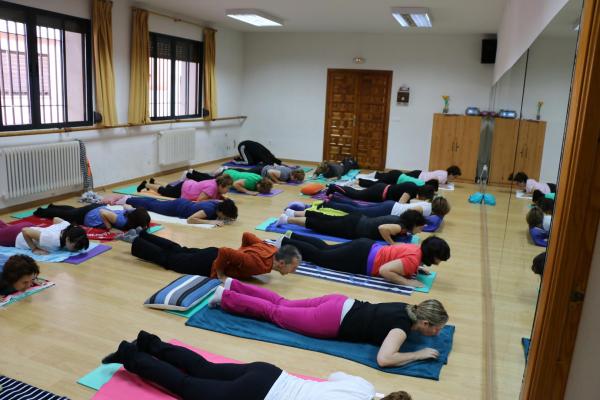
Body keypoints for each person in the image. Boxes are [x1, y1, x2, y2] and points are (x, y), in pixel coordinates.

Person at [101, 331, 413, 400]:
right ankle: (131, 355)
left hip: (269, 372)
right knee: (186, 388)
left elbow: (334, 375)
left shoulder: (366, 387)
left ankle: (150, 343)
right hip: (257, 393)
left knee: (203, 368)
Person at [210, 279, 448, 367]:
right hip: (329, 321)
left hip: (339, 302)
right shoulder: (401, 329)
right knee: (274, 313)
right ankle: (225, 296)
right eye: (437, 328)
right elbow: (384, 359)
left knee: (283, 303)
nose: (438, 332)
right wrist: (418, 354)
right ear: (425, 322)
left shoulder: (406, 306)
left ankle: (234, 284)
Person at [280, 232, 450, 287]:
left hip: (366, 247)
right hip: (360, 258)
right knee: (321, 256)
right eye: (439, 259)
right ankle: (285, 242)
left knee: (325, 248)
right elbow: (385, 271)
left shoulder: (417, 249)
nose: (438, 263)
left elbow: (401, 257)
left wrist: (418, 270)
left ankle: (290, 236)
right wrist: (408, 283)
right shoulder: (413, 259)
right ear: (432, 255)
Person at [131, 231, 301, 279]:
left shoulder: (269, 248)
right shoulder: (256, 264)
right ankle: (136, 242)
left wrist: (240, 252)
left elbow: (247, 235)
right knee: (169, 260)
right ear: (281, 264)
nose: (294, 271)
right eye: (293, 267)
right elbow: (225, 252)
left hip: (210, 252)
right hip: (207, 263)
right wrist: (219, 273)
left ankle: (143, 234)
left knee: (178, 249)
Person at [276, 209, 426, 245]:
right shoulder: (398, 226)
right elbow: (383, 229)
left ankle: (293, 212)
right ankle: (287, 219)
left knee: (325, 218)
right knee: (320, 225)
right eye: (420, 227)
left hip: (357, 219)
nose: (421, 230)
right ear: (413, 224)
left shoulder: (400, 219)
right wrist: (392, 244)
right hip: (353, 227)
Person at [0, 217, 89, 255]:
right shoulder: (52, 240)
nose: (77, 249)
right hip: (16, 235)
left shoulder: (68, 227)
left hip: (30, 227)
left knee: (3, 228)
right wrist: (34, 249)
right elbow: (25, 231)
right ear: (68, 239)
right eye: (75, 247)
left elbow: (56, 219)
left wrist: (47, 231)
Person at [125, 197, 238, 226]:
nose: (226, 219)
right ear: (221, 212)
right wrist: (210, 222)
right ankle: (127, 199)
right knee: (152, 205)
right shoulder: (209, 210)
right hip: (176, 208)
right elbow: (190, 220)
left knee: (155, 202)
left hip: (183, 203)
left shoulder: (218, 203)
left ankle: (131, 199)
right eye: (226, 216)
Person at [313, 195, 451, 219]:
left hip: (391, 205)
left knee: (358, 207)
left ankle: (335, 198)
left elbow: (413, 202)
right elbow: (411, 212)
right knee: (357, 210)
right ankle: (329, 203)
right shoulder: (426, 210)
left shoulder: (428, 203)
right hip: (389, 209)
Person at [33, 203, 150, 231]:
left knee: (72, 211)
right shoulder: (122, 221)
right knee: (68, 215)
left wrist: (131, 208)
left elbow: (126, 205)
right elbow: (104, 213)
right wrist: (109, 227)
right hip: (91, 214)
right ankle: (41, 211)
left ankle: (52, 206)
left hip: (94, 209)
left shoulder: (130, 214)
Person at [138, 175, 233, 201]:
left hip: (188, 185)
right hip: (185, 189)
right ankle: (146, 184)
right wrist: (215, 201)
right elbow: (200, 200)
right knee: (165, 192)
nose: (228, 191)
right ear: (221, 185)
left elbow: (217, 196)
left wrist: (222, 199)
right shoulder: (212, 187)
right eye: (227, 188)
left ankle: (154, 181)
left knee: (170, 188)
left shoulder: (216, 184)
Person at [326, 182, 434, 204]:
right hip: (379, 192)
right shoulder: (412, 189)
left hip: (381, 192)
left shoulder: (413, 188)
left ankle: (336, 188)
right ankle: (334, 187)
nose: (423, 200)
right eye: (425, 198)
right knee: (356, 195)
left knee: (358, 193)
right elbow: (400, 205)